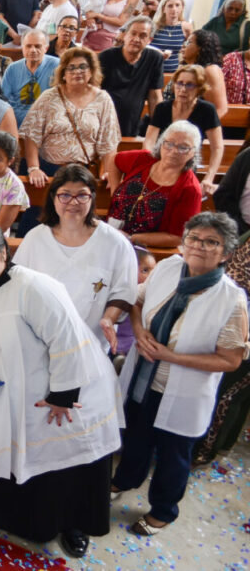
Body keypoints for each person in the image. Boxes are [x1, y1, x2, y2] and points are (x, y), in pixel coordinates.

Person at [0, 222, 121, 559]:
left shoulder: (33, 287)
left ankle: (71, 522)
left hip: (49, 395)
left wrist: (63, 395)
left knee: (60, 460)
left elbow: (67, 338)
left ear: (3, 253)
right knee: (0, 449)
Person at [112, 213, 247, 535]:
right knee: (136, 437)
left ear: (226, 253)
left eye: (211, 242)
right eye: (193, 238)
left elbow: (230, 360)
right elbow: (136, 302)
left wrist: (172, 357)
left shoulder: (232, 299)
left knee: (174, 454)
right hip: (144, 378)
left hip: (185, 389)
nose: (199, 246)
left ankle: (163, 510)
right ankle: (124, 480)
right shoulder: (169, 268)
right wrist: (139, 331)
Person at [14, 165, 138, 354]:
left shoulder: (114, 243)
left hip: (90, 345)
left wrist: (109, 319)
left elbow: (124, 290)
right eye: (65, 195)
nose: (73, 202)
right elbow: (17, 285)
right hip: (40, 344)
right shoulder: (35, 238)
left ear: (92, 198)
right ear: (53, 198)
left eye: (82, 195)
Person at [21, 47, 121, 190]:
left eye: (83, 67)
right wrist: (34, 168)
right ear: (63, 73)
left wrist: (108, 172)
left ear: (91, 71)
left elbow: (109, 141)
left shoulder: (103, 99)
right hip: (50, 171)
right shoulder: (49, 97)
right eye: (71, 68)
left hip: (84, 172)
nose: (77, 71)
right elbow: (31, 134)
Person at [191, 229, 250, 466]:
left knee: (228, 394)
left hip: (241, 332)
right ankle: (218, 444)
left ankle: (207, 449)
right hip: (232, 323)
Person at [106, 120, 203, 248]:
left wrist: (130, 238)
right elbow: (114, 160)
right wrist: (114, 190)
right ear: (161, 143)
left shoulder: (190, 189)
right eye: (169, 144)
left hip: (144, 249)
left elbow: (177, 238)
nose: (174, 151)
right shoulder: (144, 159)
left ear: (193, 152)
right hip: (110, 234)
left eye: (183, 147)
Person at [144, 64, 223, 194]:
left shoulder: (207, 110)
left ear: (199, 88)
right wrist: (151, 164)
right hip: (161, 162)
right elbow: (149, 141)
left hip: (187, 164)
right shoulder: (162, 108)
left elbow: (217, 147)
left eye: (190, 85)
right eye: (179, 83)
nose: (183, 89)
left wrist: (209, 177)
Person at [99, 16, 164, 136]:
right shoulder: (105, 57)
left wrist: (157, 129)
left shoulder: (154, 59)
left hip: (131, 124)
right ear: (125, 35)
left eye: (142, 36)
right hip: (103, 123)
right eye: (133, 33)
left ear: (149, 40)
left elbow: (155, 96)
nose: (136, 39)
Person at [1, 30, 59, 125]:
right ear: (22, 47)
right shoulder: (12, 68)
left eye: (37, 46)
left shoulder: (57, 66)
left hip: (47, 123)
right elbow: (3, 100)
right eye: (28, 46)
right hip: (16, 123)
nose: (33, 50)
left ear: (46, 48)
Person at [177, 29, 229, 119]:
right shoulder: (185, 68)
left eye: (188, 42)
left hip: (194, 124)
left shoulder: (210, 70)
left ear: (200, 48)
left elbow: (220, 109)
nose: (183, 46)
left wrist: (200, 127)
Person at [150, 0, 193, 73]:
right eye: (170, 6)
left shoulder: (186, 27)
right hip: (152, 71)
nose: (174, 9)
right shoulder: (154, 26)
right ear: (164, 9)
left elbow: (192, 48)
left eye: (177, 5)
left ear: (182, 8)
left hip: (173, 73)